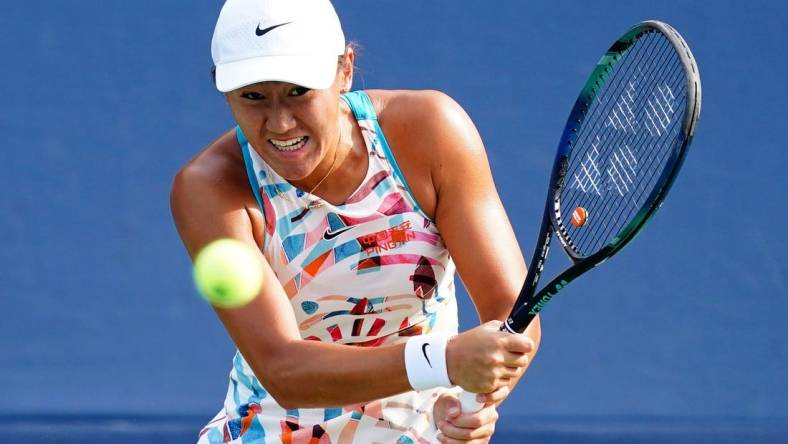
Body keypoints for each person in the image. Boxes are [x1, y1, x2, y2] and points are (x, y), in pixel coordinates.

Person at [171, 0, 541, 442]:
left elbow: (511, 312)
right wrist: (448, 362)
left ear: (345, 70)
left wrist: (473, 400)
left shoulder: (431, 132)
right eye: (253, 96)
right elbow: (283, 370)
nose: (280, 123)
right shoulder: (207, 189)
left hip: (422, 430)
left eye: (299, 91)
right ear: (223, 89)